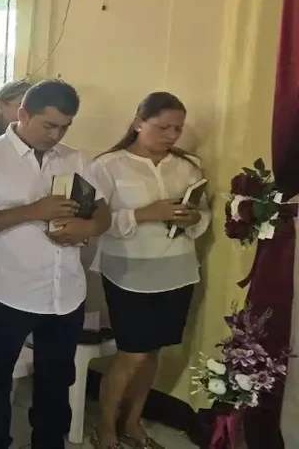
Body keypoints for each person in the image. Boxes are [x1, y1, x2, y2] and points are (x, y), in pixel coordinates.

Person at [0, 80, 112, 449]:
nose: (55, 135)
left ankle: (48, 441)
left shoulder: (75, 159)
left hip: (65, 292)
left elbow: (103, 211)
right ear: (22, 114)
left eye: (64, 127)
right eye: (48, 125)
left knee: (57, 377)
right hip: (8, 291)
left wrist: (86, 227)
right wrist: (33, 211)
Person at [89, 93, 209, 449]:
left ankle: (133, 422)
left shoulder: (188, 166)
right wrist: (145, 214)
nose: (172, 135)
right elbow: (95, 222)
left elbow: (203, 214)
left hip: (178, 270)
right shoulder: (108, 165)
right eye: (163, 127)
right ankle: (106, 426)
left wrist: (193, 217)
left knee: (153, 353)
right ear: (139, 122)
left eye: (178, 128)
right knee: (133, 354)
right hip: (129, 272)